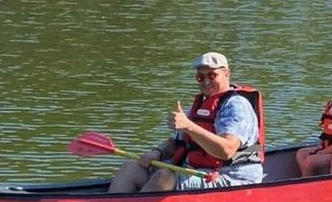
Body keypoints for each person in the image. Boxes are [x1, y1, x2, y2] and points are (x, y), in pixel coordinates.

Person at [108, 52, 263, 192]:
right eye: (200, 77)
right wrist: (157, 152)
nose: (206, 82)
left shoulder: (236, 106)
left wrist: (189, 126)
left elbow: (226, 150)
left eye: (212, 76)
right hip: (197, 170)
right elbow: (179, 142)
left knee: (164, 177)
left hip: (232, 178)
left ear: (227, 74)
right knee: (132, 166)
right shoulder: (200, 104)